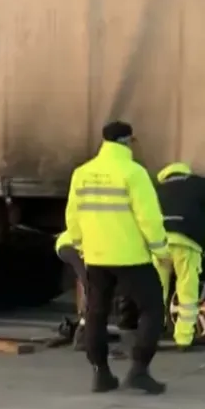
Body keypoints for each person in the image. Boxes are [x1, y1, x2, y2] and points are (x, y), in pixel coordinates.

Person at [65, 121, 171, 394]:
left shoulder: (82, 173)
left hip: (96, 258)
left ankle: (101, 374)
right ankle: (139, 370)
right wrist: (161, 251)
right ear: (127, 141)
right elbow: (149, 218)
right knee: (151, 309)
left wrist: (80, 245)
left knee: (96, 313)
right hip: (131, 257)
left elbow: (72, 216)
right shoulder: (134, 173)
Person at [153, 162, 205, 350]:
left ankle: (151, 334)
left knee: (154, 291)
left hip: (160, 243)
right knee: (187, 292)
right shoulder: (202, 185)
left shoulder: (156, 188)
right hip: (188, 243)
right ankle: (183, 339)